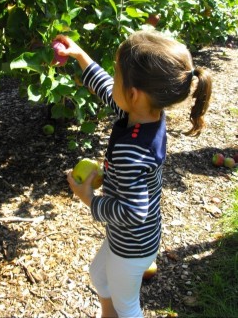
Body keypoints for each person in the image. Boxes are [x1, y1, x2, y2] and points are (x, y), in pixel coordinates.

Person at [55, 30, 212, 318]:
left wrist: (88, 197)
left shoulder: (133, 151)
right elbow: (105, 88)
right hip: (134, 239)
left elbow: (132, 211)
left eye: (117, 75)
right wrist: (79, 56)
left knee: (127, 306)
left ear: (132, 94)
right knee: (99, 276)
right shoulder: (146, 114)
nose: (112, 81)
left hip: (132, 246)